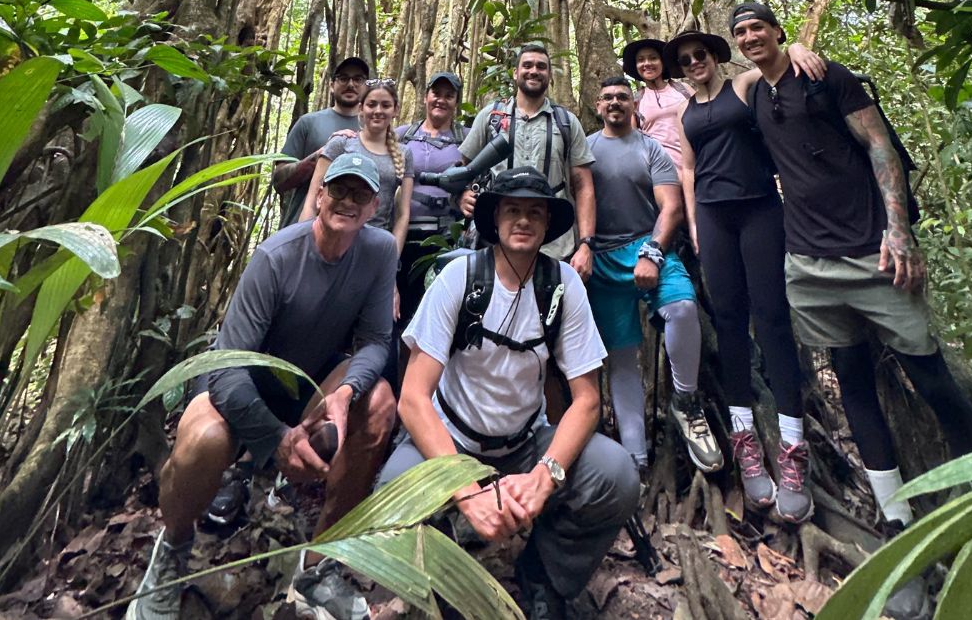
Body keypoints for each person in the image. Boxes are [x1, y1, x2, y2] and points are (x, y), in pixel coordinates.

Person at [729, 0, 972, 591]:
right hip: (808, 262)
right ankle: (896, 518)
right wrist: (782, 54)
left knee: (932, 378)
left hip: (875, 255)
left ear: (778, 30)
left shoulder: (829, 78)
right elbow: (731, 83)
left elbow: (880, 146)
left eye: (758, 28)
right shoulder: (758, 94)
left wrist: (899, 231)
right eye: (740, 31)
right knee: (852, 384)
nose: (749, 37)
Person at [125, 150, 397, 620]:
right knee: (205, 441)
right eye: (339, 189)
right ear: (320, 195)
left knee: (379, 404)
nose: (348, 201)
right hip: (239, 384)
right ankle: (171, 551)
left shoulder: (380, 251)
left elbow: (375, 340)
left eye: (360, 194)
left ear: (374, 206)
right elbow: (227, 368)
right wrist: (277, 441)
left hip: (306, 384)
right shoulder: (276, 257)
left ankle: (318, 566)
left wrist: (346, 391)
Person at [376, 167, 639, 620]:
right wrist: (466, 492)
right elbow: (413, 399)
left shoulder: (563, 287)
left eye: (535, 212)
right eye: (512, 210)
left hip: (524, 442)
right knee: (396, 497)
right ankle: (445, 585)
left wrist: (544, 476)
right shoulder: (459, 279)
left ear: (547, 224)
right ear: (495, 219)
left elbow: (588, 400)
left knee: (615, 476)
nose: (522, 220)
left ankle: (545, 577)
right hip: (451, 442)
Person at [671, 29, 820, 521]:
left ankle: (793, 448)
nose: (695, 63)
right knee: (730, 322)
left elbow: (776, 62)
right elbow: (688, 170)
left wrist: (795, 47)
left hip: (759, 209)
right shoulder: (684, 111)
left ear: (715, 57)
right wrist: (694, 222)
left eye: (701, 55)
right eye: (686, 59)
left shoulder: (742, 86)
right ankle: (745, 443)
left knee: (772, 319)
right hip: (714, 217)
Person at [586, 74, 721, 476]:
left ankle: (686, 401)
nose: (615, 102)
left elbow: (671, 206)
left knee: (682, 308)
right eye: (607, 97)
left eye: (622, 97)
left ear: (634, 105)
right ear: (598, 106)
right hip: (602, 258)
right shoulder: (585, 149)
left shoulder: (651, 148)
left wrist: (652, 252)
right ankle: (635, 458)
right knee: (621, 356)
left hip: (650, 247)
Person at [458, 43, 596, 272]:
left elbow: (583, 186)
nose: (534, 71)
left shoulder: (566, 122)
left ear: (550, 75)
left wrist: (585, 244)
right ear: (515, 73)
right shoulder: (491, 116)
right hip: (496, 238)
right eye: (527, 65)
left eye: (541, 67)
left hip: (554, 244)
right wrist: (462, 195)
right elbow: (462, 168)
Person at [299, 78, 411, 259]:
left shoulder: (404, 153)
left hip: (374, 247)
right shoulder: (341, 143)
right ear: (361, 108)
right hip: (331, 241)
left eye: (385, 105)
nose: (378, 111)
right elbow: (312, 200)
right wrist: (305, 249)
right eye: (371, 104)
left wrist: (392, 258)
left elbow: (402, 214)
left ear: (395, 110)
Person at [395, 70, 468, 326]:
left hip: (445, 238)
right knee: (399, 309)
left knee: (436, 312)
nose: (441, 100)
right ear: (426, 96)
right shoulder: (402, 135)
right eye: (436, 93)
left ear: (456, 102)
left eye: (449, 95)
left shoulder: (466, 138)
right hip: (402, 237)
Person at [273, 56, 369, 228]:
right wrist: (317, 157)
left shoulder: (374, 131)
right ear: (331, 85)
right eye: (343, 78)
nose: (350, 84)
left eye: (358, 79)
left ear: (366, 86)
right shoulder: (308, 122)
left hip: (354, 231)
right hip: (305, 226)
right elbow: (279, 181)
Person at [620, 38, 693, 172]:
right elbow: (633, 143)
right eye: (641, 60)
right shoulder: (635, 102)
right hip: (661, 172)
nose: (647, 63)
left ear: (662, 62)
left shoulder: (684, 90)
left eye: (653, 58)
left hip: (698, 165)